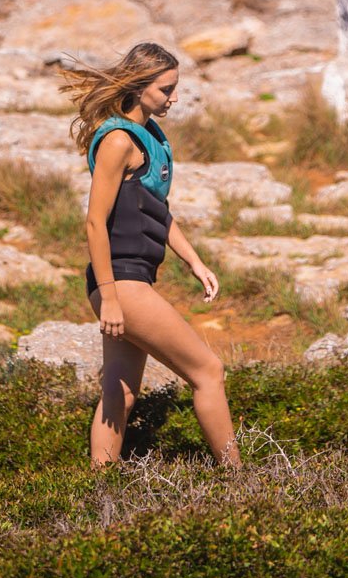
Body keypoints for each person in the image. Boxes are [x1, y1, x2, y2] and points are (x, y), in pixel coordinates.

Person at [61, 42, 241, 468]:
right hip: (120, 281)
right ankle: (238, 480)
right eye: (166, 89)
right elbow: (94, 223)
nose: (173, 98)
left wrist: (194, 261)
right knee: (208, 372)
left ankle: (98, 485)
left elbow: (155, 210)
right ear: (139, 87)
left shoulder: (151, 137)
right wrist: (109, 296)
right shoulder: (118, 141)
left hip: (133, 278)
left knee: (120, 391)